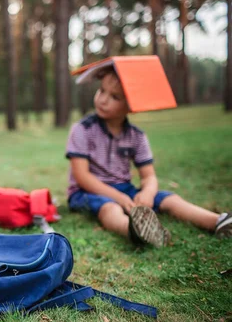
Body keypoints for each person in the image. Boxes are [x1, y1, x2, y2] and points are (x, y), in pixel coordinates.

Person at [66, 66, 231, 246]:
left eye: (115, 97)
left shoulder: (137, 136)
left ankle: (218, 221)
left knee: (169, 199)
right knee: (109, 208)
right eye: (102, 91)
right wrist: (118, 198)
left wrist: (147, 193)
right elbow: (82, 177)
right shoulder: (82, 129)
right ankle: (134, 231)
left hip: (126, 190)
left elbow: (149, 176)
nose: (103, 100)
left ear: (132, 106)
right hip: (86, 192)